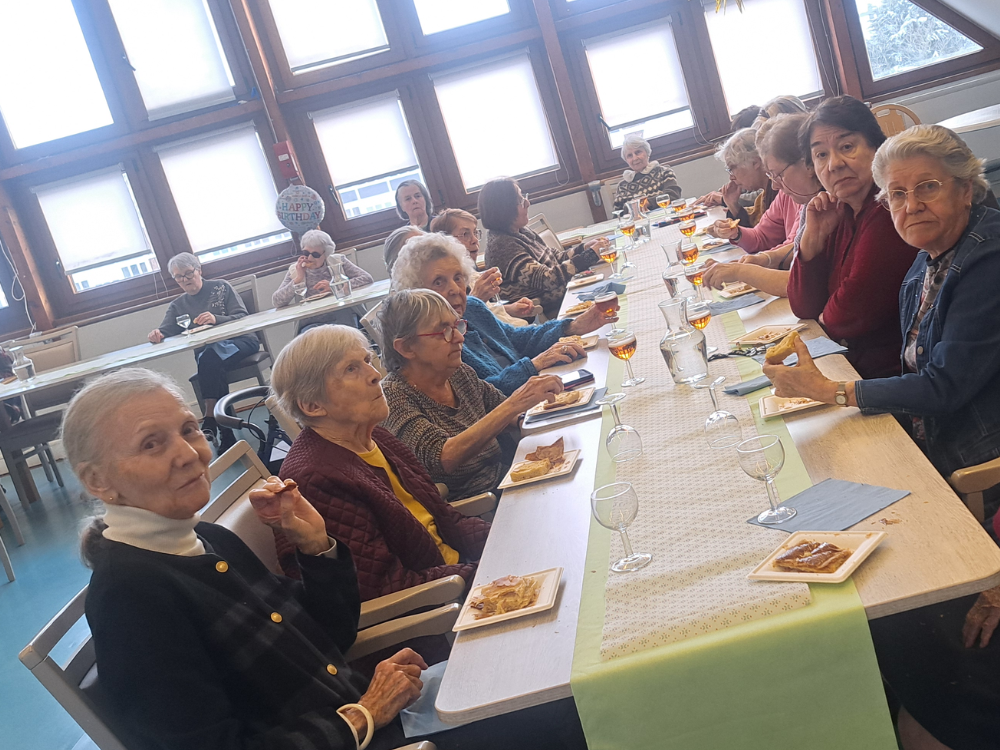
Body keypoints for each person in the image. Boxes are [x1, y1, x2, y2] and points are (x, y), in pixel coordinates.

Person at [68, 367, 585, 750]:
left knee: (563, 667)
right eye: (152, 444)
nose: (187, 453)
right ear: (98, 481)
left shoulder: (201, 538)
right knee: (567, 707)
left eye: (188, 429)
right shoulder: (132, 596)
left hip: (369, 712)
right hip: (361, 734)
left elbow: (327, 636)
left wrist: (317, 545)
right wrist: (360, 714)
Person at [765, 124, 1000, 478]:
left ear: (965, 189)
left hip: (973, 464)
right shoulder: (925, 256)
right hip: (929, 436)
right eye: (898, 194)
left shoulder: (988, 260)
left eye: (928, 188)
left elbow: (943, 388)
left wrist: (831, 391)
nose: (913, 205)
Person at [269, 325, 490, 600]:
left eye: (367, 361)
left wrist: (504, 540)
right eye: (351, 369)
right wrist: (482, 573)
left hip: (457, 577)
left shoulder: (376, 437)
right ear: (312, 406)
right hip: (440, 611)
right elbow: (387, 588)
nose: (375, 375)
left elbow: (444, 519)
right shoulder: (317, 479)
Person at [378, 289, 564, 499]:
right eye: (443, 332)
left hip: (514, 475)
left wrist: (544, 419)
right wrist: (516, 403)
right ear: (406, 347)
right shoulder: (394, 397)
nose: (459, 338)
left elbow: (505, 412)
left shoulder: (456, 372)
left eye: (457, 326)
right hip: (482, 506)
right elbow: (443, 459)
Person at [786, 95, 919, 379]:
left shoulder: (888, 210)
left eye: (847, 147)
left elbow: (846, 316)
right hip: (849, 366)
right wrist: (812, 240)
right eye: (821, 155)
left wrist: (824, 318)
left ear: (876, 148)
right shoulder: (839, 210)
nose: (834, 164)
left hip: (891, 380)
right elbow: (803, 306)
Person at [391, 233, 615, 395]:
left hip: (534, 396)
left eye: (458, 277)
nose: (454, 289)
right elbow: (486, 395)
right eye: (439, 282)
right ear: (417, 291)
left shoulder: (473, 308)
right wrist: (534, 365)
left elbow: (516, 339)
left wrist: (572, 326)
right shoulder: (434, 344)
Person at [702, 113, 823, 297]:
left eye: (777, 174)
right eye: (771, 176)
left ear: (808, 164)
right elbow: (765, 237)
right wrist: (740, 237)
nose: (775, 185)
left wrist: (744, 270)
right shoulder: (794, 195)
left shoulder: (819, 201)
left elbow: (801, 283)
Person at [147, 253, 259, 450]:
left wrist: (217, 319)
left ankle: (211, 420)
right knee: (211, 362)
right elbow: (166, 330)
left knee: (208, 359)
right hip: (212, 358)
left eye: (188, 274)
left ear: (199, 270)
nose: (185, 280)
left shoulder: (221, 287)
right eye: (179, 277)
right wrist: (156, 334)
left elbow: (242, 316)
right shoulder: (178, 304)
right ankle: (226, 431)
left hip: (241, 342)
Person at [480, 177, 610, 317]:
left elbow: (555, 257)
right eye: (520, 200)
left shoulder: (520, 230)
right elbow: (547, 280)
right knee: (610, 300)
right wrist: (588, 257)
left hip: (566, 296)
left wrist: (583, 249)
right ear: (504, 209)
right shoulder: (502, 245)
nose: (527, 203)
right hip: (549, 311)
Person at [431, 208, 535, 327]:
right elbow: (458, 325)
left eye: (475, 232)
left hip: (517, 329)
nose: (475, 240)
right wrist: (476, 297)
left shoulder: (471, 272)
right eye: (465, 234)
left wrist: (510, 309)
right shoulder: (449, 287)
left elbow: (487, 310)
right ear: (446, 242)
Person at [272, 230, 374, 331]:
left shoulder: (338, 261)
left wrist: (335, 286)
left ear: (326, 254)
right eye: (306, 253)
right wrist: (298, 279)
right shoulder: (295, 270)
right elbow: (277, 301)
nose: (310, 258)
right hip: (312, 324)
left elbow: (366, 278)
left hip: (343, 317)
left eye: (315, 255)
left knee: (344, 333)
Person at [612, 134, 682, 214]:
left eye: (638, 152)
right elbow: (617, 214)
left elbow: (673, 195)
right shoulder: (622, 186)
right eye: (629, 155)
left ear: (647, 153)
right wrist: (633, 208)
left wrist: (646, 203)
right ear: (626, 160)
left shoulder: (664, 172)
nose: (635, 158)